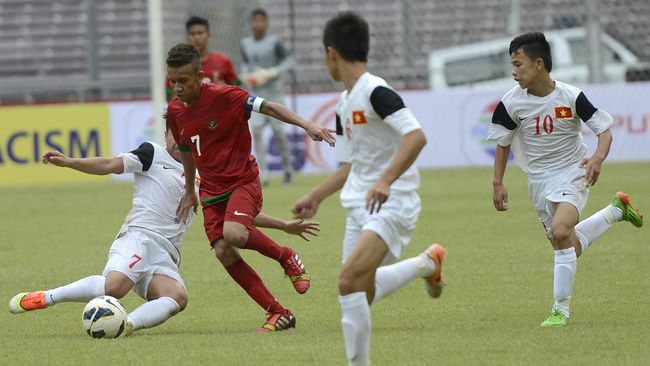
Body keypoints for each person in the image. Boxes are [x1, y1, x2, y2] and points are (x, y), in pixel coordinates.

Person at [8, 125, 319, 336]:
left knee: (176, 299)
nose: (178, 139)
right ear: (168, 131)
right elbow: (108, 164)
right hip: (138, 237)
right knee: (115, 287)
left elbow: (236, 215)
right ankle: (45, 297)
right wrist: (70, 162)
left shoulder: (203, 173)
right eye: (175, 131)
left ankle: (125, 325)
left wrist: (284, 225)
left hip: (166, 253)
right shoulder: (151, 154)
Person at [291, 12, 446, 366]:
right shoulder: (344, 103)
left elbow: (416, 136)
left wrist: (386, 180)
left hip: (393, 204)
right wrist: (316, 196)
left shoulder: (375, 91)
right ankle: (426, 263)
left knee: (348, 281)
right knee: (360, 289)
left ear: (332, 53)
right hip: (358, 207)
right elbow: (348, 167)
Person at [166, 43, 335, 331]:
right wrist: (190, 190)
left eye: (183, 81)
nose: (178, 88)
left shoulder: (226, 96)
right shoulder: (174, 110)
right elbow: (185, 149)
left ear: (199, 76)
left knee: (233, 233)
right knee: (223, 251)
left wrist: (307, 124)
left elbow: (270, 107)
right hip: (210, 190)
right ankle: (278, 312)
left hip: (243, 180)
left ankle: (285, 255)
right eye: (173, 82)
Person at [489, 31, 644, 328]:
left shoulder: (571, 96)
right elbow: (503, 142)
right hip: (538, 182)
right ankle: (615, 211)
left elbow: (604, 130)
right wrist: (498, 182)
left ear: (538, 64)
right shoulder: (510, 104)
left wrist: (597, 158)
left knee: (561, 232)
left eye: (518, 64)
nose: (513, 72)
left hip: (573, 171)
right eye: (512, 64)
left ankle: (560, 309)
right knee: (568, 245)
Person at [241, 8, 296, 185]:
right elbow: (246, 64)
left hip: (274, 95)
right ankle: (263, 173)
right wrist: (246, 75)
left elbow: (289, 61)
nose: (258, 24)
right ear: (250, 23)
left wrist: (273, 72)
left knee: (279, 132)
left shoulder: (274, 43)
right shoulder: (246, 44)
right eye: (255, 21)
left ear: (266, 23)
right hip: (256, 96)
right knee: (256, 132)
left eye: (261, 21)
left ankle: (287, 170)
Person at [166, 16, 240, 100]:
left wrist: (224, 89)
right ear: (187, 37)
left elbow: (238, 90)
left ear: (208, 35)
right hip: (190, 112)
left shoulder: (223, 61)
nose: (197, 37)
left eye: (200, 33)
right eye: (192, 34)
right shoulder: (178, 64)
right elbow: (168, 95)